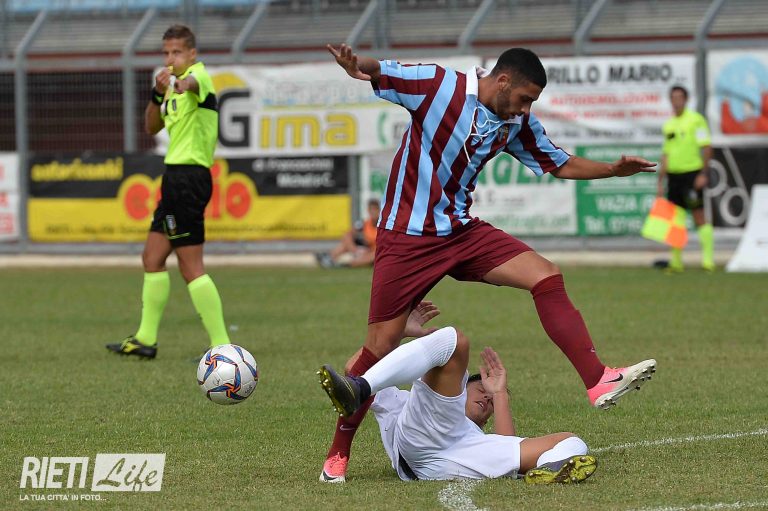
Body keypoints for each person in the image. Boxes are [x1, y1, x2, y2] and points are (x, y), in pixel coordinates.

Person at [319, 44, 657, 483]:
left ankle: (598, 379)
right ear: (502, 81)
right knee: (378, 349)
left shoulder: (517, 122)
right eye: (524, 98)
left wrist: (611, 170)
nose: (526, 108)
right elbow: (381, 70)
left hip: (460, 232)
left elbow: (560, 163)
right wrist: (356, 65)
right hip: (406, 236)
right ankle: (337, 455)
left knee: (545, 274)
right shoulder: (439, 85)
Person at [319, 327, 597, 484]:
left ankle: (549, 471)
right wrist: (398, 333)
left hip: (452, 456)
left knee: (571, 441)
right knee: (454, 342)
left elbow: (506, 443)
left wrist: (499, 394)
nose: (486, 398)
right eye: (481, 390)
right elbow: (355, 368)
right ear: (460, 387)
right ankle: (362, 388)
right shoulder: (404, 401)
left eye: (489, 403)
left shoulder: (475, 436)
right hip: (423, 441)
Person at [107, 25, 230, 359]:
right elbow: (151, 126)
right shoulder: (170, 88)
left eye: (176, 52)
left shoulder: (198, 76)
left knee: (190, 266)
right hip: (174, 178)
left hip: (189, 178)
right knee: (152, 258)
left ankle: (222, 346)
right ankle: (145, 339)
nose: (170, 58)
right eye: (166, 53)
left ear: (192, 53)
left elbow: (193, 85)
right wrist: (157, 94)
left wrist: (179, 83)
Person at [658, 85, 715, 272]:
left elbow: (706, 147)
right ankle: (676, 263)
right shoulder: (669, 124)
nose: (676, 101)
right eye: (673, 98)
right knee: (675, 221)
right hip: (674, 177)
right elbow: (666, 154)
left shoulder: (696, 120)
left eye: (679, 97)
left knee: (699, 216)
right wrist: (660, 181)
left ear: (686, 99)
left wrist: (703, 173)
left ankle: (708, 261)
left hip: (692, 174)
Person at [316, 198, 380, 268]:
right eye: (371, 209)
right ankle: (330, 258)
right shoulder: (364, 223)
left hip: (374, 252)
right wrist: (354, 250)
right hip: (363, 250)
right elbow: (348, 234)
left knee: (374, 255)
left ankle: (348, 264)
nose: (373, 212)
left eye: (375, 209)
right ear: (368, 211)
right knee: (345, 242)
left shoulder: (382, 225)